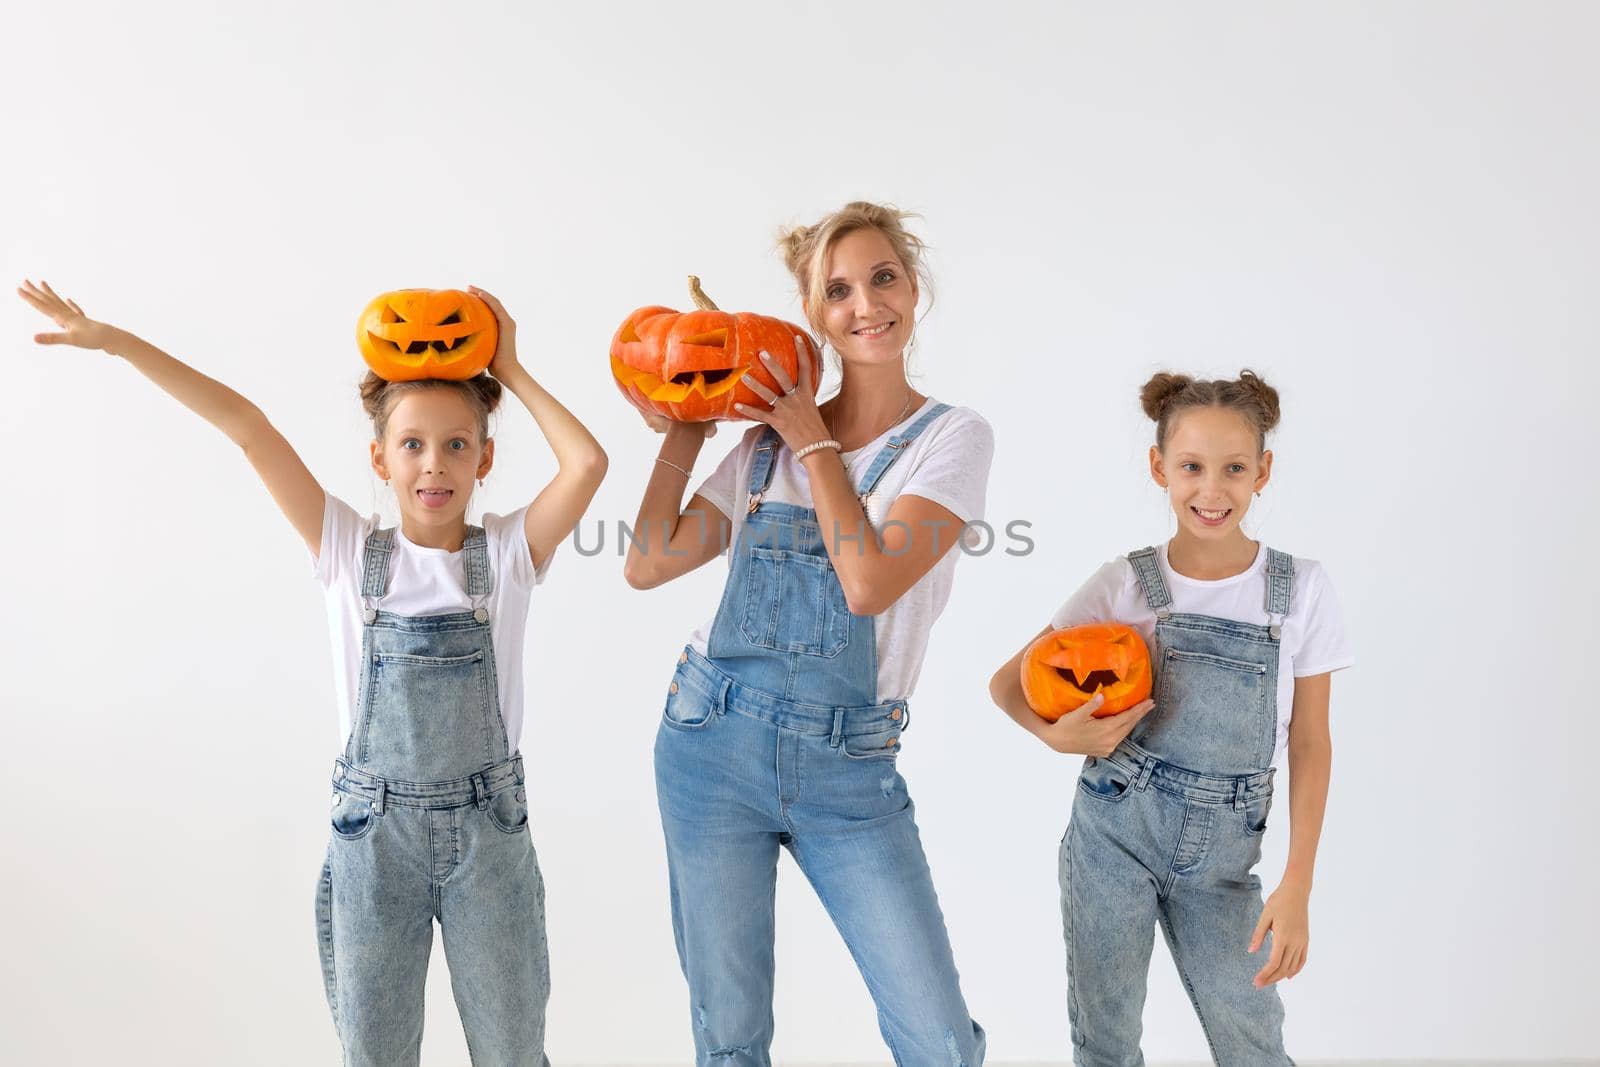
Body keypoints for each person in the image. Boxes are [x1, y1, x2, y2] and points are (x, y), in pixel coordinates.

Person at [16, 279, 607, 1066]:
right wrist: (115, 341)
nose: (435, 464)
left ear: (485, 456)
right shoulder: (345, 551)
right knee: (375, 1054)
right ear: (380, 456)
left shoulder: (505, 556)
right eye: (412, 444)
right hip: (374, 841)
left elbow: (589, 461)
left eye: (458, 443)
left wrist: (515, 368)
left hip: (487, 836)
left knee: (513, 1051)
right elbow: (248, 427)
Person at [623, 203, 991, 1065]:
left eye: (883, 278)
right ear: (811, 314)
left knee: (939, 1041)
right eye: (838, 291)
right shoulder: (760, 448)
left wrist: (816, 445)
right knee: (731, 1041)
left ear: (914, 286)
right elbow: (645, 562)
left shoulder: (951, 440)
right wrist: (684, 429)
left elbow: (866, 582)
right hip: (711, 746)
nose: (865, 304)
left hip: (849, 772)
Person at [989, 370, 1353, 1066]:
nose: (1211, 490)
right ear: (1159, 467)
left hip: (1223, 861)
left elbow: (1311, 741)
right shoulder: (1126, 583)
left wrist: (1298, 880)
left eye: (1234, 469)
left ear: (1263, 472)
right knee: (1107, 1039)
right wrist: (1056, 733)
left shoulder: (1299, 590)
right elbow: (1008, 683)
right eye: (1191, 466)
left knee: (1251, 1038)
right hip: (1113, 834)